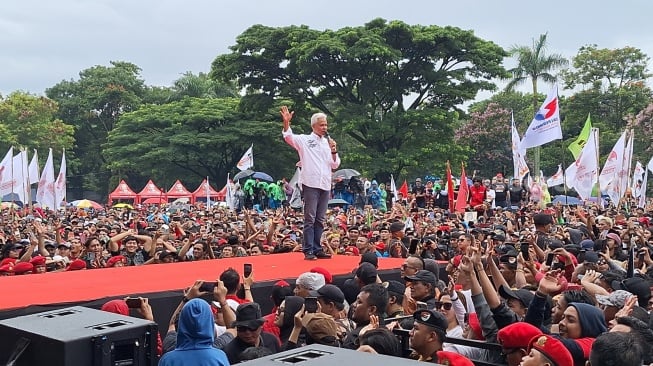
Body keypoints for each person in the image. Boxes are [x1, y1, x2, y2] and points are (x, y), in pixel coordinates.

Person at [281, 106, 340, 260]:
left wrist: (333, 150)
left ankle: (317, 248)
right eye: (321, 125)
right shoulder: (305, 140)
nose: (325, 127)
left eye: (326, 124)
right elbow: (288, 137)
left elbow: (335, 165)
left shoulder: (328, 143)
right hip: (310, 183)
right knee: (310, 218)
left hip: (325, 184)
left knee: (320, 219)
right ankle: (308, 249)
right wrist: (286, 123)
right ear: (313, 126)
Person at [158, 298, 230, 366]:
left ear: (182, 322)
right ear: (209, 322)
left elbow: (172, 324)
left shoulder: (168, 360)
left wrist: (186, 298)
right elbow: (233, 328)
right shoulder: (219, 357)